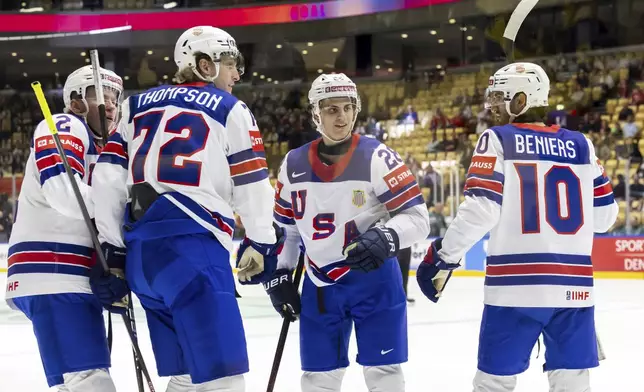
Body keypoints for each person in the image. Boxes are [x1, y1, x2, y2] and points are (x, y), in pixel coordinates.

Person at [90, 26, 280, 392]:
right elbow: (253, 185)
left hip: (143, 261)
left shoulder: (132, 106)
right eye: (230, 64)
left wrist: (114, 254)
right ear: (205, 65)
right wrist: (262, 242)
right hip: (194, 254)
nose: (238, 74)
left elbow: (107, 182)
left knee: (187, 377)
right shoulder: (231, 109)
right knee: (223, 377)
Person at [416, 62, 619, 392]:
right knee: (572, 383)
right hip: (574, 290)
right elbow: (605, 218)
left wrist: (444, 255)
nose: (492, 106)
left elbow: (482, 209)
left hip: (514, 287)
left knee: (494, 383)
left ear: (521, 99)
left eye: (499, 97)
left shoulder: (498, 138)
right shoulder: (582, 144)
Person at [262, 73, 430, 392]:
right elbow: (288, 231)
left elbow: (418, 218)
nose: (342, 117)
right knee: (317, 379)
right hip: (320, 284)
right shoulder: (292, 163)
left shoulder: (377, 156)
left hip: (375, 280)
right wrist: (280, 274)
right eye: (331, 109)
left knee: (384, 374)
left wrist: (387, 237)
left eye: (348, 107)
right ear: (315, 114)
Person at [4, 65, 123, 391]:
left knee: (69, 385)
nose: (110, 104)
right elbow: (62, 189)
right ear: (75, 101)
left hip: (64, 277)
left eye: (114, 96)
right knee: (91, 383)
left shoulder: (105, 148)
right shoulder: (65, 124)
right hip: (56, 272)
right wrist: (119, 217)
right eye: (99, 94)